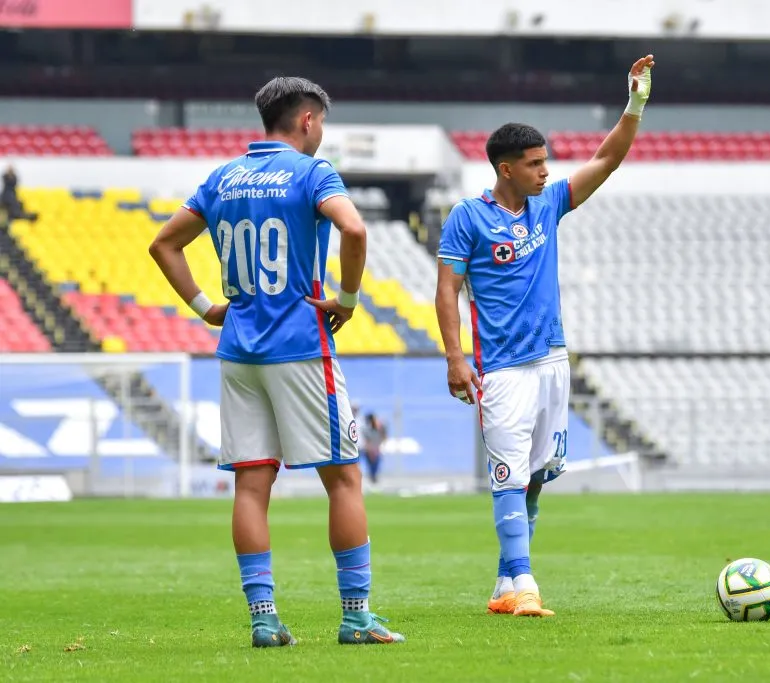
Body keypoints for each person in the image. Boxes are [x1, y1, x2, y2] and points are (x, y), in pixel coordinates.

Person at [148, 76, 403, 647]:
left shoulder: (222, 178)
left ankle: (264, 620)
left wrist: (204, 307)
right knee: (343, 479)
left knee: (250, 488)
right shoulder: (312, 172)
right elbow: (353, 228)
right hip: (302, 347)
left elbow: (164, 243)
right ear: (308, 120)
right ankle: (357, 617)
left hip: (239, 349)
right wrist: (349, 299)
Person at [434, 55, 655, 618]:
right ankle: (525, 583)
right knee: (507, 473)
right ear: (505, 169)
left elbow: (606, 159)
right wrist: (456, 358)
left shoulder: (548, 204)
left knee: (534, 479)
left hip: (553, 361)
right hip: (502, 369)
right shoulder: (467, 218)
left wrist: (634, 104)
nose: (545, 171)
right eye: (534, 164)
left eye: (546, 162)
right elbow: (447, 290)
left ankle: (506, 584)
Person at [360, 411, 387, 487]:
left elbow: (383, 436)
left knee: (376, 464)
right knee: (370, 464)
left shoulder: (380, 427)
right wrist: (370, 448)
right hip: (369, 449)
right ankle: (372, 477)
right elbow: (366, 440)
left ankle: (374, 477)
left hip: (376, 449)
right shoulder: (366, 429)